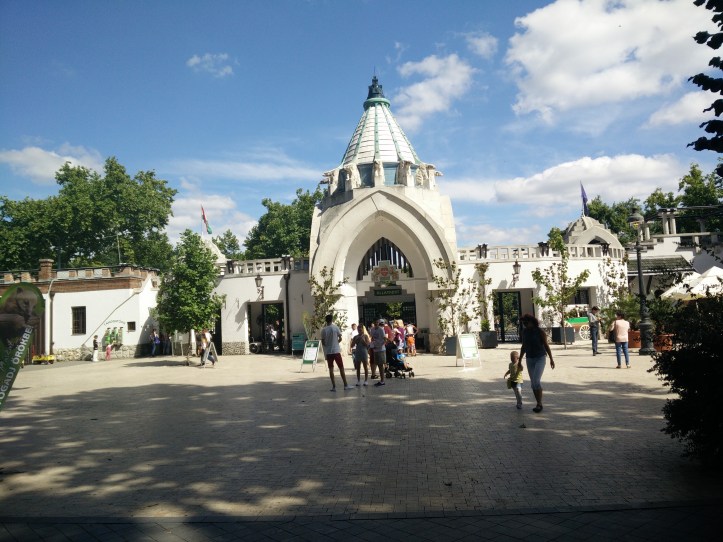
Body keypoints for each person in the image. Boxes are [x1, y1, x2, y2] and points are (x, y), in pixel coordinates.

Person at [518, 313, 555, 413]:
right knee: (533, 383)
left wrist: (551, 359)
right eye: (523, 323)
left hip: (540, 357)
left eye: (526, 323)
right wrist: (520, 360)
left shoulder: (540, 332)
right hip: (529, 358)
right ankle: (538, 403)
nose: (525, 325)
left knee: (536, 380)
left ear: (532, 322)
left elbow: (546, 345)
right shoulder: (524, 332)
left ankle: (539, 403)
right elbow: (523, 346)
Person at [321, 314, 352, 391]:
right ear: (332, 320)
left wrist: (328, 345)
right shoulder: (335, 327)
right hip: (336, 351)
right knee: (341, 368)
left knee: (331, 369)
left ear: (326, 320)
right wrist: (336, 342)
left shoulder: (324, 330)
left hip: (329, 352)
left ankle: (334, 386)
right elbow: (340, 338)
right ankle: (345, 385)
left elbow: (323, 342)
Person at [370, 318, 388, 387]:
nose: (376, 324)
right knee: (377, 364)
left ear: (378, 323)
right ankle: (381, 380)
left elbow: (385, 339)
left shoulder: (381, 330)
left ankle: (382, 381)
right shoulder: (372, 329)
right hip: (375, 349)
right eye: (375, 323)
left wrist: (380, 345)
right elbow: (372, 338)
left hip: (381, 349)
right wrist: (372, 345)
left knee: (380, 365)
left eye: (377, 323)